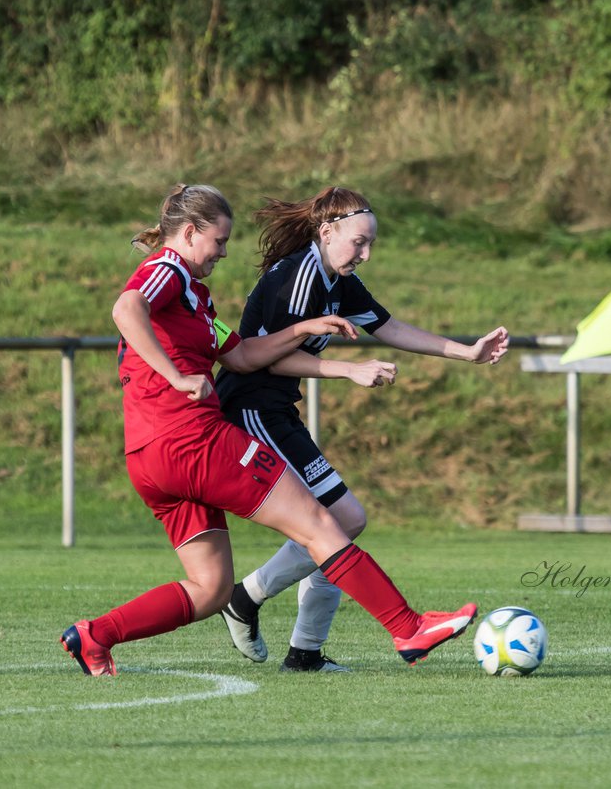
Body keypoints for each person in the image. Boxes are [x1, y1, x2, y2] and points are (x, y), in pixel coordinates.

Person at [60, 183, 476, 676]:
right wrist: (175, 376)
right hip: (193, 441)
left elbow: (240, 355)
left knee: (211, 590)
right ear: (190, 233)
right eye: (219, 240)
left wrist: (304, 329)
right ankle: (407, 627)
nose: (224, 251)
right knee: (324, 522)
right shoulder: (166, 269)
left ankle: (95, 636)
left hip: (150, 459)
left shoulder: (195, 298)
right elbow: (126, 309)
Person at [215, 186, 509, 672]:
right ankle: (253, 604)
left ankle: (291, 639)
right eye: (359, 243)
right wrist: (348, 370)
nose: (366, 254)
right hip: (251, 409)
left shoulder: (333, 277)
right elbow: (263, 359)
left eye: (371, 244)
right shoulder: (299, 277)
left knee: (344, 521)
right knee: (343, 520)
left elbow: (388, 327)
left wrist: (466, 352)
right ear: (327, 233)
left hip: (277, 410)